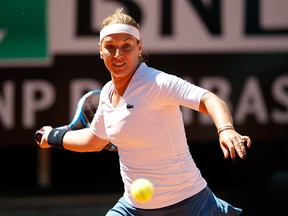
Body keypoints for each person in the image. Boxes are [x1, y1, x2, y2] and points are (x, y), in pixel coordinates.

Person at [37, 8, 252, 216]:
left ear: (139, 48)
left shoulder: (157, 83)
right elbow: (94, 140)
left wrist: (225, 129)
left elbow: (208, 98)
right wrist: (53, 137)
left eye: (127, 46)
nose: (118, 54)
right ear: (100, 50)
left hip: (190, 204)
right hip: (132, 209)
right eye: (110, 46)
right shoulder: (106, 94)